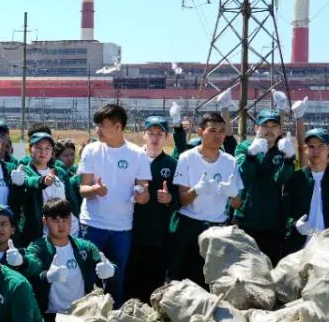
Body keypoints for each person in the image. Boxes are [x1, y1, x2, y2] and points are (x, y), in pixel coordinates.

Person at [76, 103, 150, 304]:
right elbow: (83, 189)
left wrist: (141, 196)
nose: (97, 130)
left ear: (118, 127)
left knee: (116, 278)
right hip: (92, 225)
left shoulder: (137, 154)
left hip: (122, 228)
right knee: (88, 277)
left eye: (102, 125)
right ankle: (86, 317)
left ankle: (113, 320)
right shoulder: (91, 150)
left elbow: (144, 192)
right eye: (97, 125)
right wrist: (95, 190)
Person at [170, 111, 244, 286]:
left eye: (221, 131)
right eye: (212, 130)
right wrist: (197, 190)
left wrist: (233, 194)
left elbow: (237, 203)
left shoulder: (230, 162)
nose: (217, 135)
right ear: (200, 131)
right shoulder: (187, 158)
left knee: (209, 281)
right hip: (188, 224)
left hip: (216, 227)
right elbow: (183, 199)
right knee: (181, 279)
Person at [24, 199, 116, 322]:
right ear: (45, 221)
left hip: (82, 314)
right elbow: (29, 269)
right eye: (55, 220)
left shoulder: (85, 247)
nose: (61, 225)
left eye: (65, 219)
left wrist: (111, 269)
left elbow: (107, 264)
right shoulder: (37, 248)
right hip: (50, 317)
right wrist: (47, 276)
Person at [231, 109, 297, 264]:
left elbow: (281, 180)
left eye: (274, 126)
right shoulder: (244, 147)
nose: (269, 130)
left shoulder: (282, 150)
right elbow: (243, 176)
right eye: (265, 125)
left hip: (271, 223)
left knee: (268, 269)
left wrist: (289, 159)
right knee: (241, 269)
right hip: (245, 219)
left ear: (280, 130)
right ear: (256, 129)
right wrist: (250, 155)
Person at [127, 116, 178, 304]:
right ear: (144, 135)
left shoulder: (172, 165)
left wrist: (170, 198)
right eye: (151, 134)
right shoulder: (132, 159)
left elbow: (180, 198)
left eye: (160, 134)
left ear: (166, 138)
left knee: (154, 277)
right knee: (130, 275)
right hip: (130, 229)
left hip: (158, 232)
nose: (155, 138)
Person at [281, 128, 329, 254]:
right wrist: (294, 225)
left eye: (321, 146)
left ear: (328, 148)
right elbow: (283, 214)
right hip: (299, 249)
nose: (316, 151)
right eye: (311, 146)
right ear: (305, 149)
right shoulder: (296, 179)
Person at [18, 131, 75, 246]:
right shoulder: (23, 170)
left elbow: (70, 200)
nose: (43, 152)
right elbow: (28, 181)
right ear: (30, 149)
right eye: (38, 147)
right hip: (38, 234)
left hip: (62, 230)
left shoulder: (59, 172)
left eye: (47, 148)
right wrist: (42, 181)